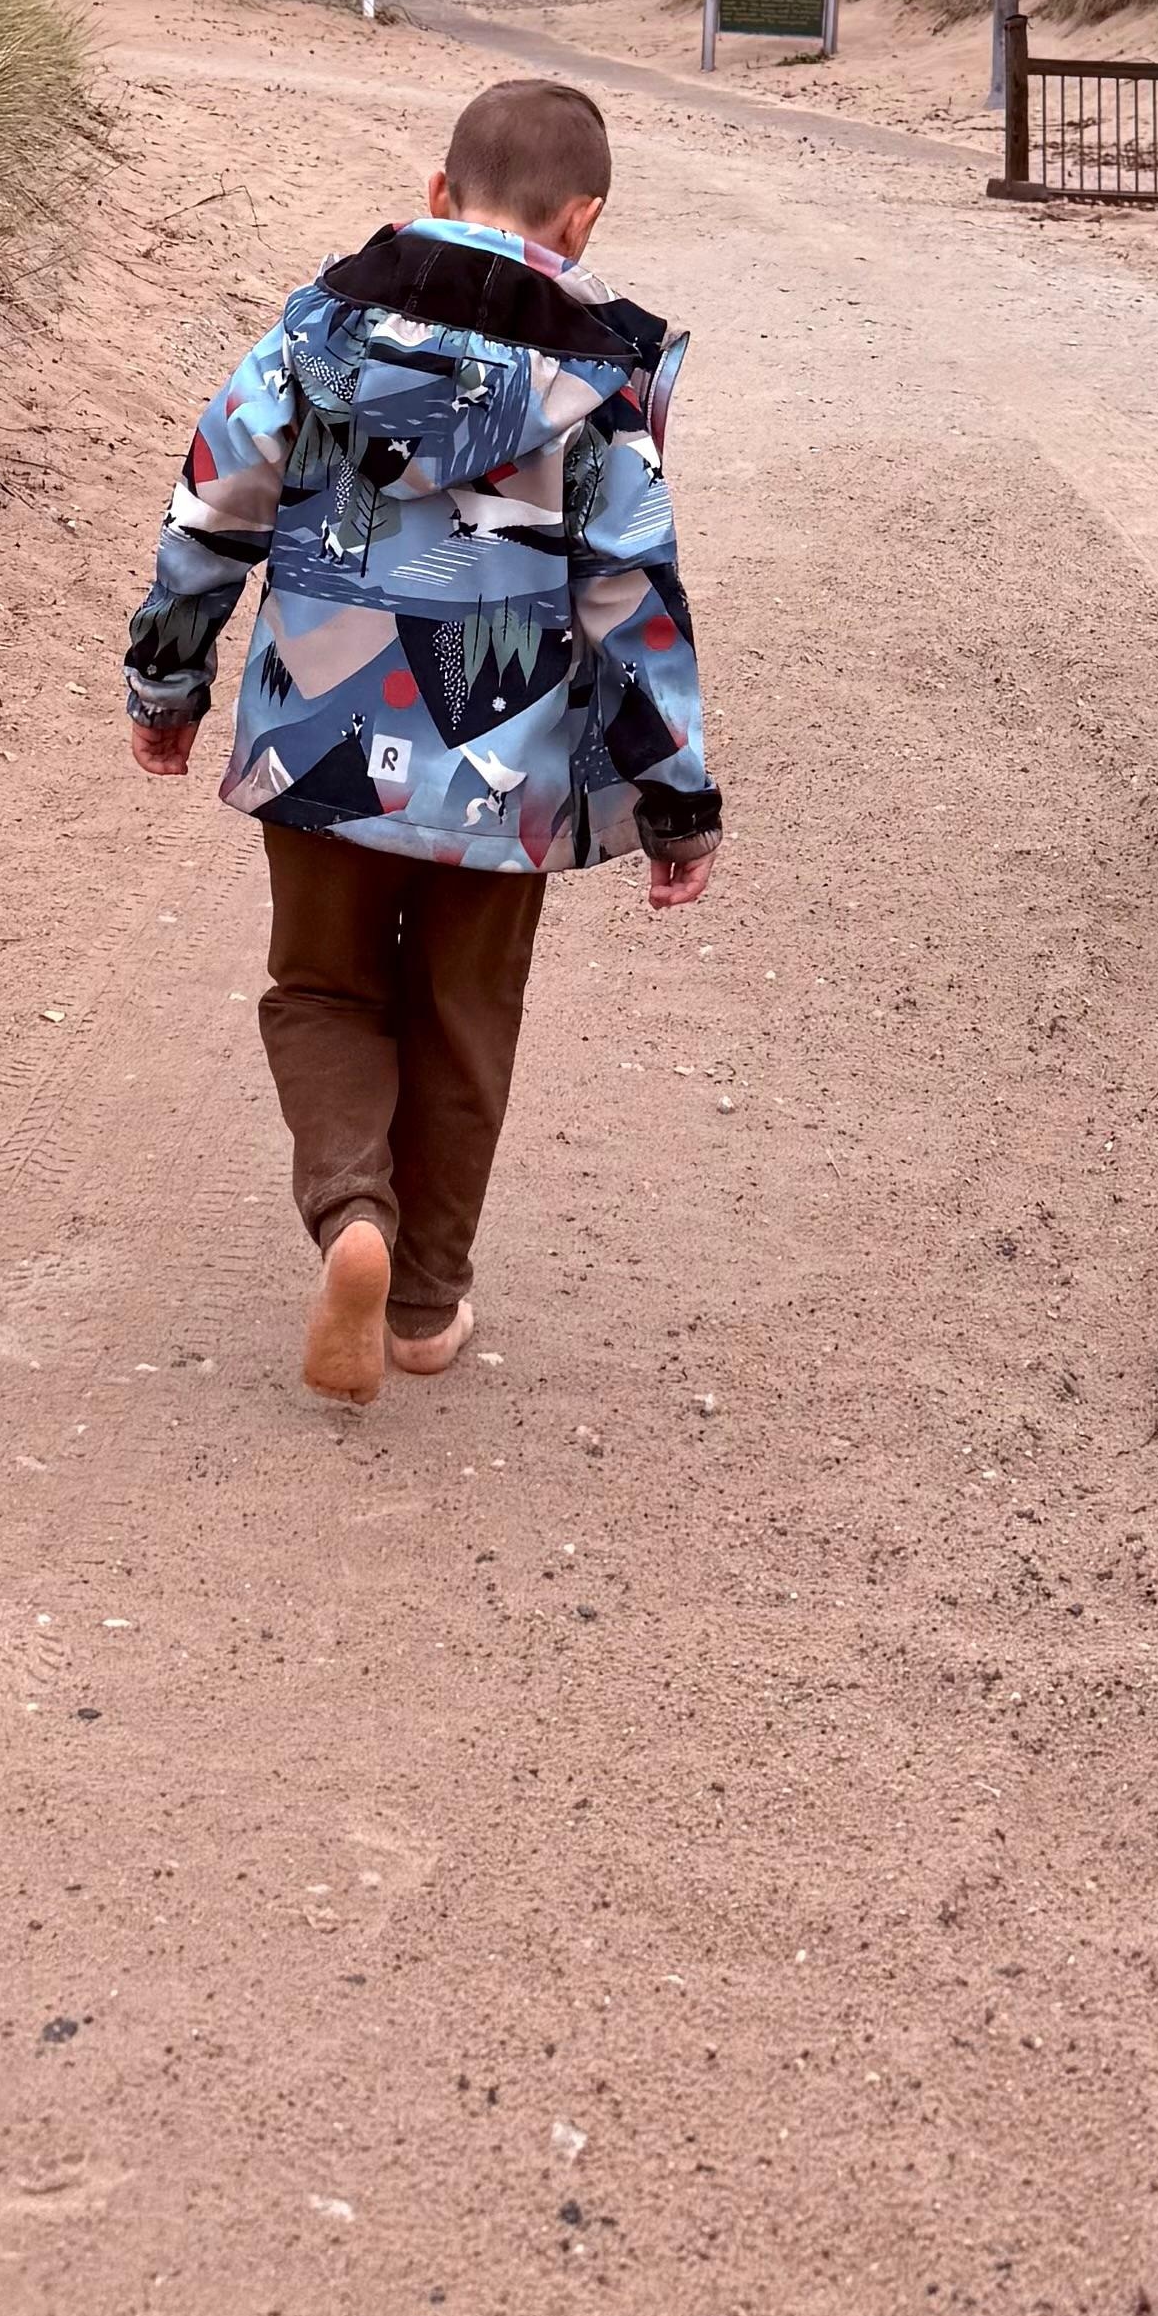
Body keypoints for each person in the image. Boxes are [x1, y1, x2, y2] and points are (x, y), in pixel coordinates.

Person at [124, 69, 721, 1403]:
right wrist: (676, 796)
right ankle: (425, 1308)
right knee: (463, 1018)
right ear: (584, 222)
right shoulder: (598, 392)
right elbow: (632, 599)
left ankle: (354, 1220)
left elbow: (211, 512)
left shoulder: (312, 339)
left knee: (324, 989)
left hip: (320, 748)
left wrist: (169, 686)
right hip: (503, 775)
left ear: (437, 196)